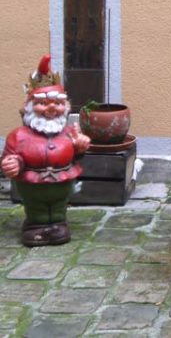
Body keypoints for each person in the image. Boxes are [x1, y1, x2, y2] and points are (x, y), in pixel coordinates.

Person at [1, 55, 90, 246]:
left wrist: (80, 147)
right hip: (32, 183)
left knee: (59, 205)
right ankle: (35, 227)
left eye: (57, 104)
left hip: (62, 180)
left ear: (64, 107)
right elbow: (10, 156)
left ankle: (58, 224)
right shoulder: (19, 135)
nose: (51, 108)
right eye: (43, 103)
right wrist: (13, 163)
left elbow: (76, 154)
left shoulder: (68, 132)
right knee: (36, 206)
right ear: (30, 107)